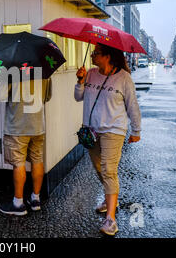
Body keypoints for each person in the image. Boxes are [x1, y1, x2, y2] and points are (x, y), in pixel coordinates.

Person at [74, 44, 141, 236]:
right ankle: (110, 199)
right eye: (93, 53)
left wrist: (136, 130)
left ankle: (110, 219)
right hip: (91, 131)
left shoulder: (124, 78)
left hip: (114, 130)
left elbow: (132, 106)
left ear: (108, 57)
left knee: (109, 170)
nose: (93, 56)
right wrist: (80, 80)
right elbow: (78, 97)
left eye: (96, 54)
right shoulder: (91, 74)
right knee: (98, 168)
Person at [0, 77, 52, 216]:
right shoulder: (43, 68)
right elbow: (47, 96)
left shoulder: (11, 69)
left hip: (17, 126)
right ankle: (35, 199)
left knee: (18, 163)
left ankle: (18, 204)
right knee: (37, 159)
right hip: (38, 124)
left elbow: (0, 95)